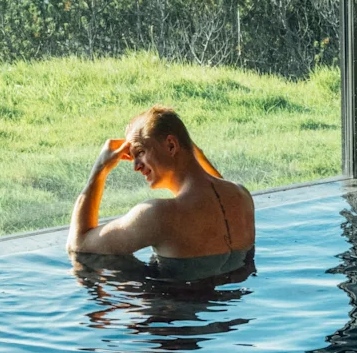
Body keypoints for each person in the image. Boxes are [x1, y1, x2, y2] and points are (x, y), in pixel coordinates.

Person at [66, 106, 255, 281]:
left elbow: (78, 246)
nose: (136, 166)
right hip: (236, 310)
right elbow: (214, 190)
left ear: (171, 145)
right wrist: (196, 154)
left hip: (174, 313)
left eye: (139, 152)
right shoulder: (241, 196)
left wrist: (100, 169)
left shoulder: (158, 215)